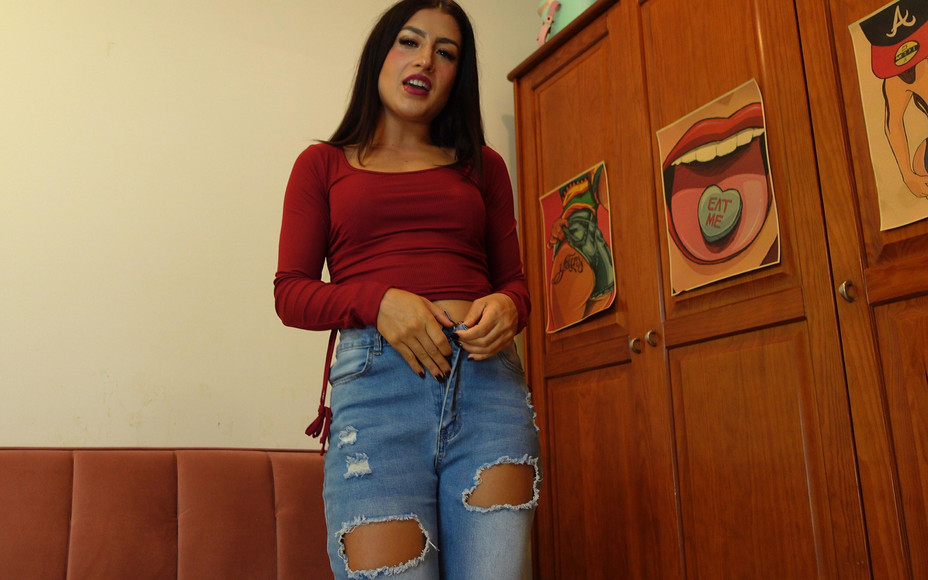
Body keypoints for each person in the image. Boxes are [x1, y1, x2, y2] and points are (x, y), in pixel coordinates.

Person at [274, 1, 540, 578]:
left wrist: (509, 306)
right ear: (381, 53)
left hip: (489, 391)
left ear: (457, 76)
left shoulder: (484, 166)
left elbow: (515, 284)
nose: (426, 61)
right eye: (410, 42)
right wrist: (377, 301)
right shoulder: (322, 165)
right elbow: (290, 294)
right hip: (377, 400)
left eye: (446, 53)